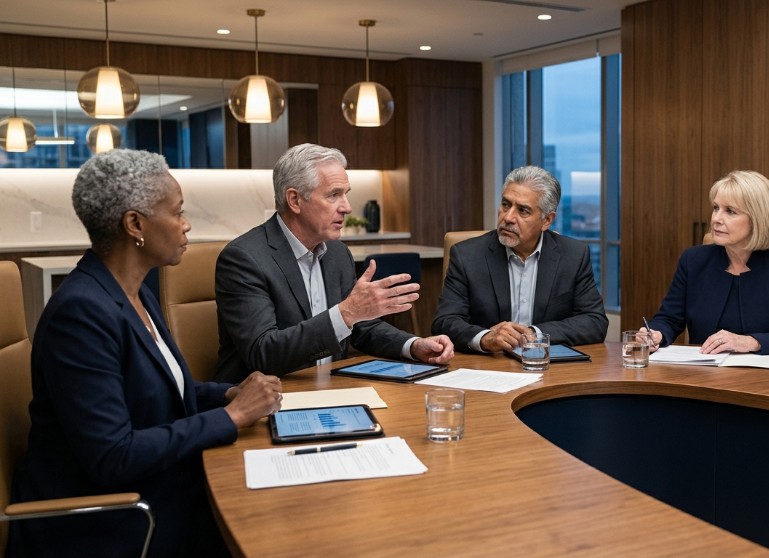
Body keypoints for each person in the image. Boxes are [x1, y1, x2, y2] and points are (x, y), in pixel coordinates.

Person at [8, 149, 283, 557]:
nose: (187, 224)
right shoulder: (81, 312)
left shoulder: (135, 292)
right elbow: (113, 455)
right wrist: (233, 416)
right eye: (177, 212)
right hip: (113, 520)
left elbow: (162, 391)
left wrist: (227, 394)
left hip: (158, 488)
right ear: (135, 224)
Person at [215, 143, 454, 383]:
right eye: (333, 195)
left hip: (331, 388)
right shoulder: (244, 258)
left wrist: (413, 345)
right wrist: (347, 313)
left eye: (346, 194)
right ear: (295, 200)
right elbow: (263, 353)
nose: (347, 207)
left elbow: (361, 327)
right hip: (268, 398)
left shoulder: (337, 253)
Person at [432, 165, 608, 353]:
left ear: (547, 220)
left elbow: (594, 321)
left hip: (549, 366)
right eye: (506, 205)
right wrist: (485, 338)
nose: (508, 217)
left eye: (523, 211)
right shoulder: (467, 255)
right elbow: (444, 322)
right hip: (488, 367)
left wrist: (534, 334)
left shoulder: (573, 255)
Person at [645, 170, 769, 355]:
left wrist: (754, 342)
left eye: (730, 211)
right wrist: (656, 334)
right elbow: (669, 319)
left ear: (758, 219)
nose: (716, 219)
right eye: (715, 208)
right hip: (704, 374)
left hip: (765, 378)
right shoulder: (694, 261)